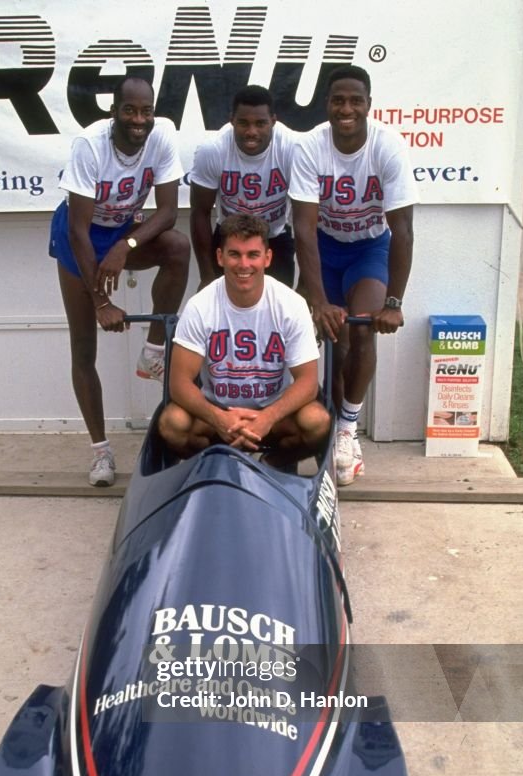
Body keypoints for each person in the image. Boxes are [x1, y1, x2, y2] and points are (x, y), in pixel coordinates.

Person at [49, 76, 190, 486]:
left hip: (122, 233)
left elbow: (166, 212)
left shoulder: (161, 137)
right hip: (80, 237)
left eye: (146, 110)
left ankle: (153, 349)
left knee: (177, 248)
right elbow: (78, 231)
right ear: (115, 111)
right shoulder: (90, 145)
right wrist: (101, 302)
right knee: (83, 347)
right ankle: (101, 453)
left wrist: (125, 245)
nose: (139, 119)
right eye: (130, 110)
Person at [290, 65, 417, 486]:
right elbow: (304, 229)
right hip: (323, 248)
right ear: (327, 105)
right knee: (329, 340)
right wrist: (318, 298)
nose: (346, 109)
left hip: (368, 247)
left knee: (362, 330)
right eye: (338, 100)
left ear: (368, 104)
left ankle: (346, 430)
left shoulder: (388, 146)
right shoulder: (311, 146)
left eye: (355, 101)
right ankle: (299, 428)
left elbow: (403, 231)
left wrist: (395, 303)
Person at [158, 214, 330, 466]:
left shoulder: (291, 305)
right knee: (172, 424)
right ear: (220, 257)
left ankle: (272, 463)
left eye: (253, 255)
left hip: (274, 411)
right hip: (217, 411)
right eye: (235, 254)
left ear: (267, 258)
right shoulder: (199, 306)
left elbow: (307, 382)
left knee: (317, 421)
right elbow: (179, 383)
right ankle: (214, 464)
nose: (243, 264)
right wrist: (218, 418)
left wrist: (268, 418)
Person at [189, 85, 296, 289]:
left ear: (273, 121)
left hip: (275, 237)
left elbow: (306, 216)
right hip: (230, 238)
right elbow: (200, 213)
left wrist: (306, 283)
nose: (251, 132)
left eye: (260, 123)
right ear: (232, 120)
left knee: (277, 311)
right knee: (223, 313)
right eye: (243, 123)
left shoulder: (293, 147)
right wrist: (206, 275)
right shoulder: (212, 149)